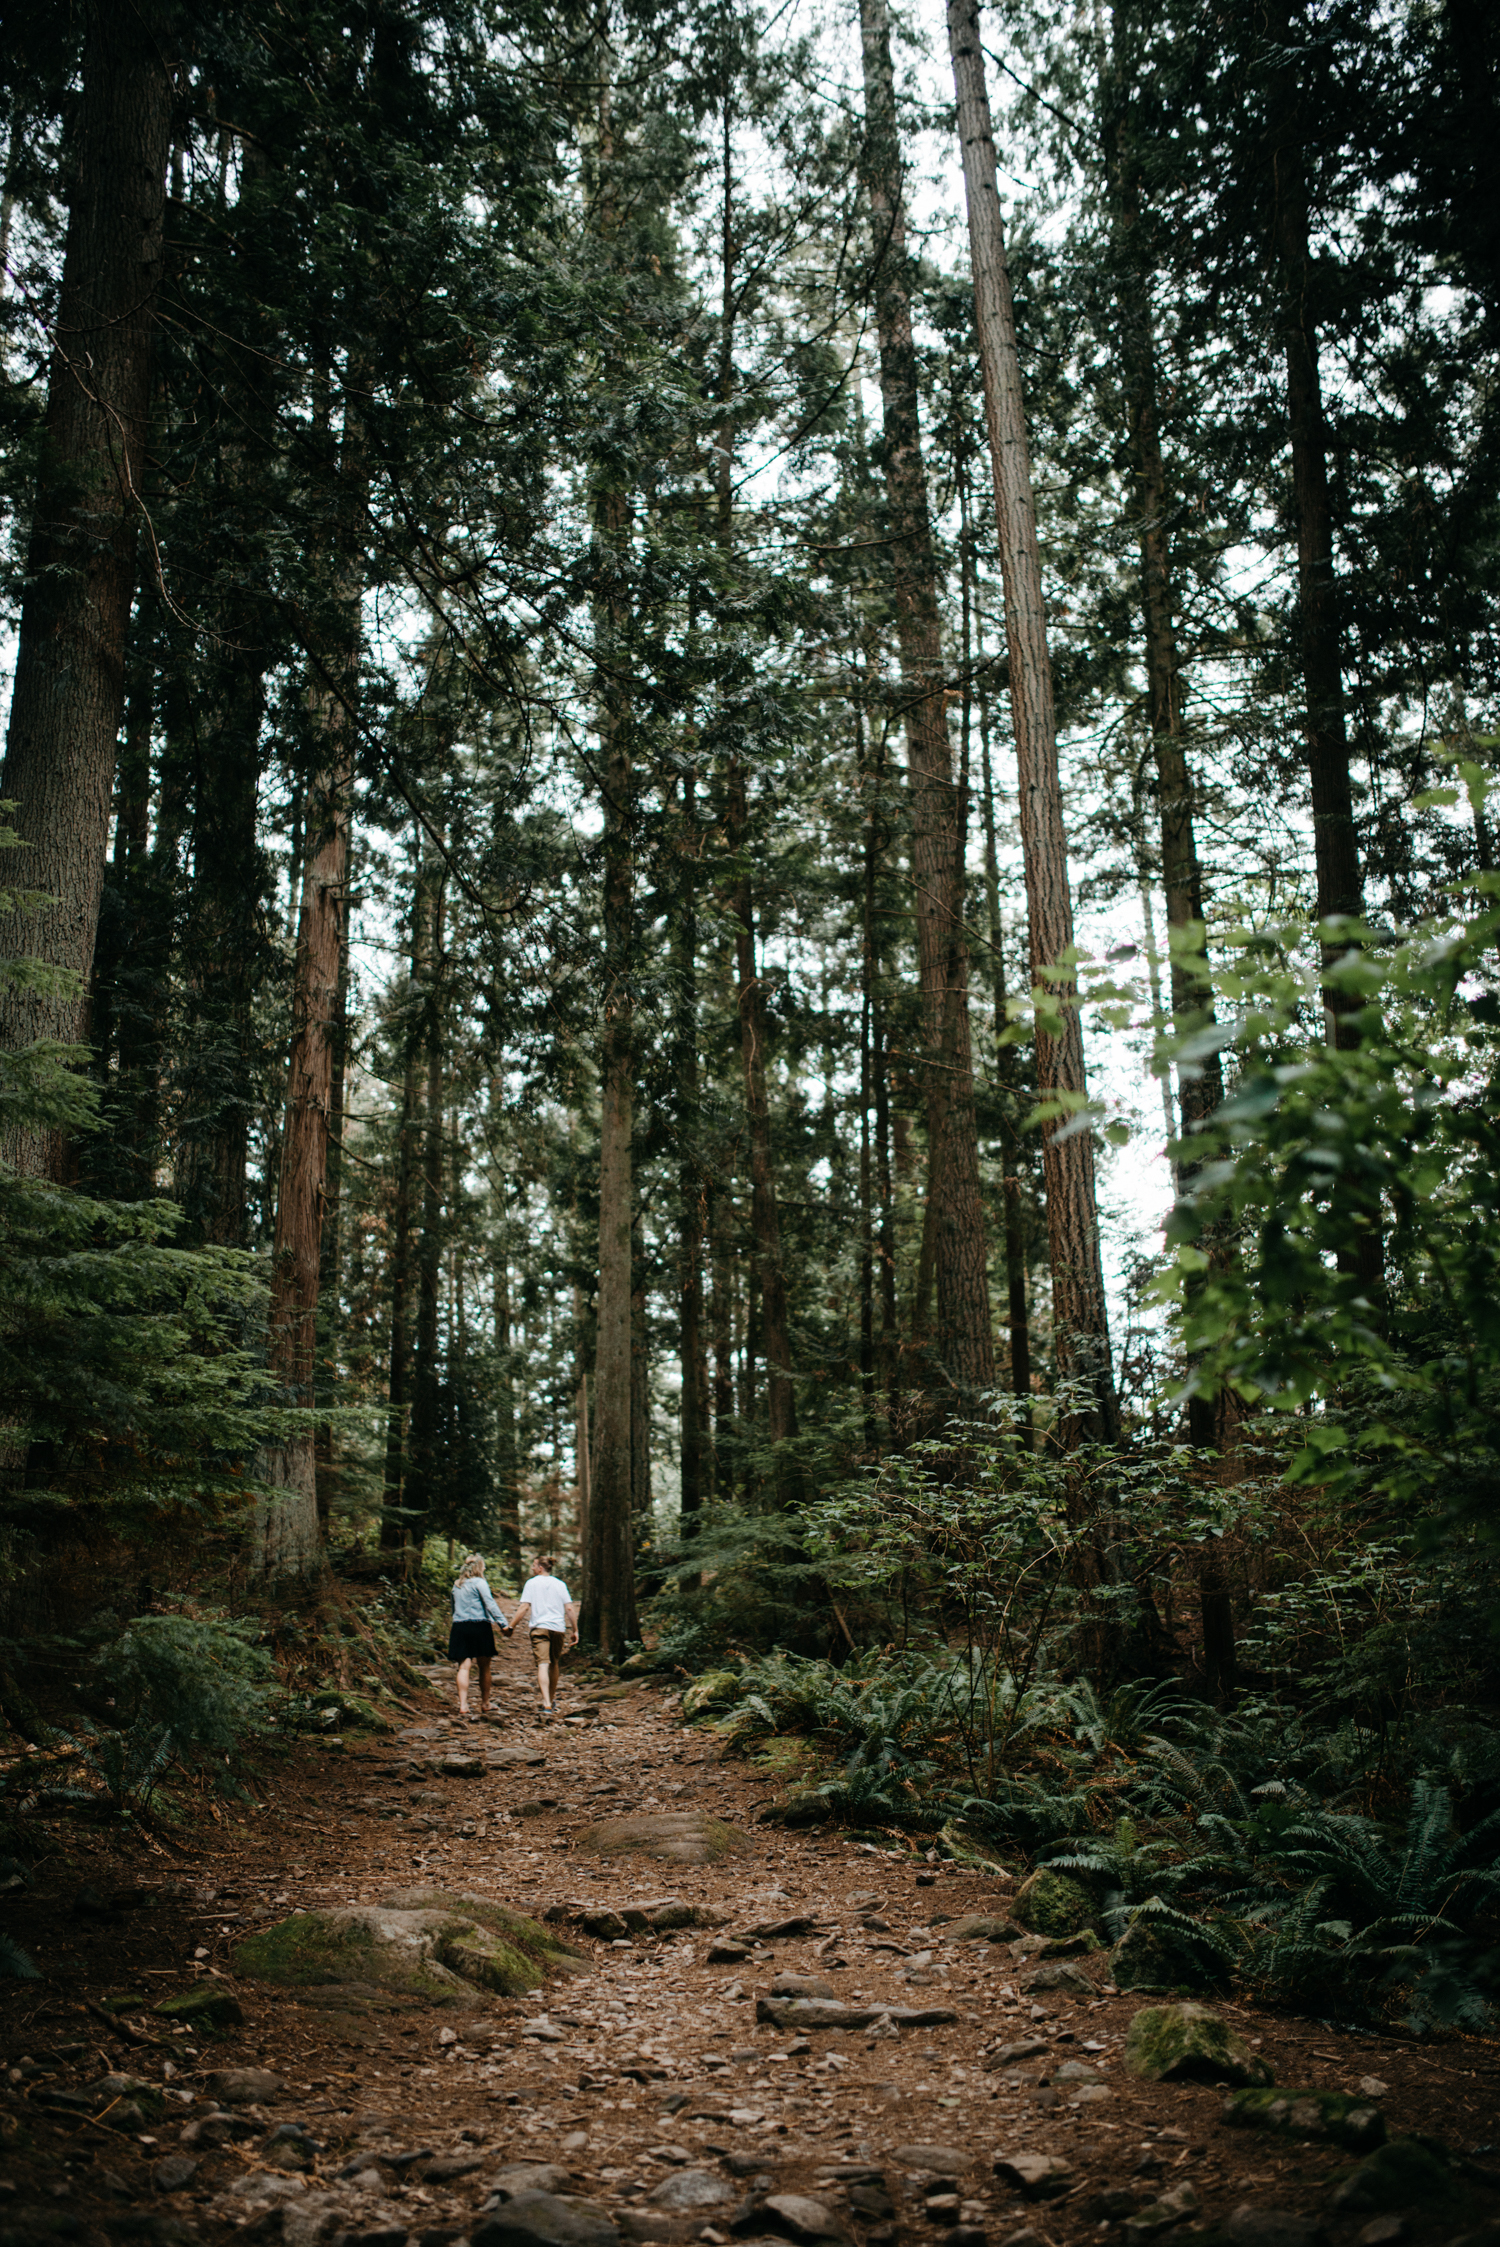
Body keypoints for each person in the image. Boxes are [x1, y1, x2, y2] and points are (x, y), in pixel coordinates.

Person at [507, 1554, 580, 1717]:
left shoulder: (531, 1584)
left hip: (540, 1628)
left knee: (542, 1664)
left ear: (540, 1567)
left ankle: (546, 1703)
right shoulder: (560, 1584)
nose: (532, 1568)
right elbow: (569, 1608)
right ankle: (551, 1700)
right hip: (558, 1629)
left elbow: (524, 1607)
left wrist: (511, 1626)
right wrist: (575, 1630)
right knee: (554, 1663)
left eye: (533, 1565)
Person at [448, 1554, 510, 1722]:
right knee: (484, 1666)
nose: (484, 1569)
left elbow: (453, 1608)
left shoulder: (456, 1585)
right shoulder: (480, 1583)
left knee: (464, 1666)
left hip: (459, 1626)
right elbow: (490, 1603)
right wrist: (503, 1624)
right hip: (479, 1625)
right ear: (478, 1567)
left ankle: (463, 1705)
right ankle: (485, 1703)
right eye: (483, 1566)